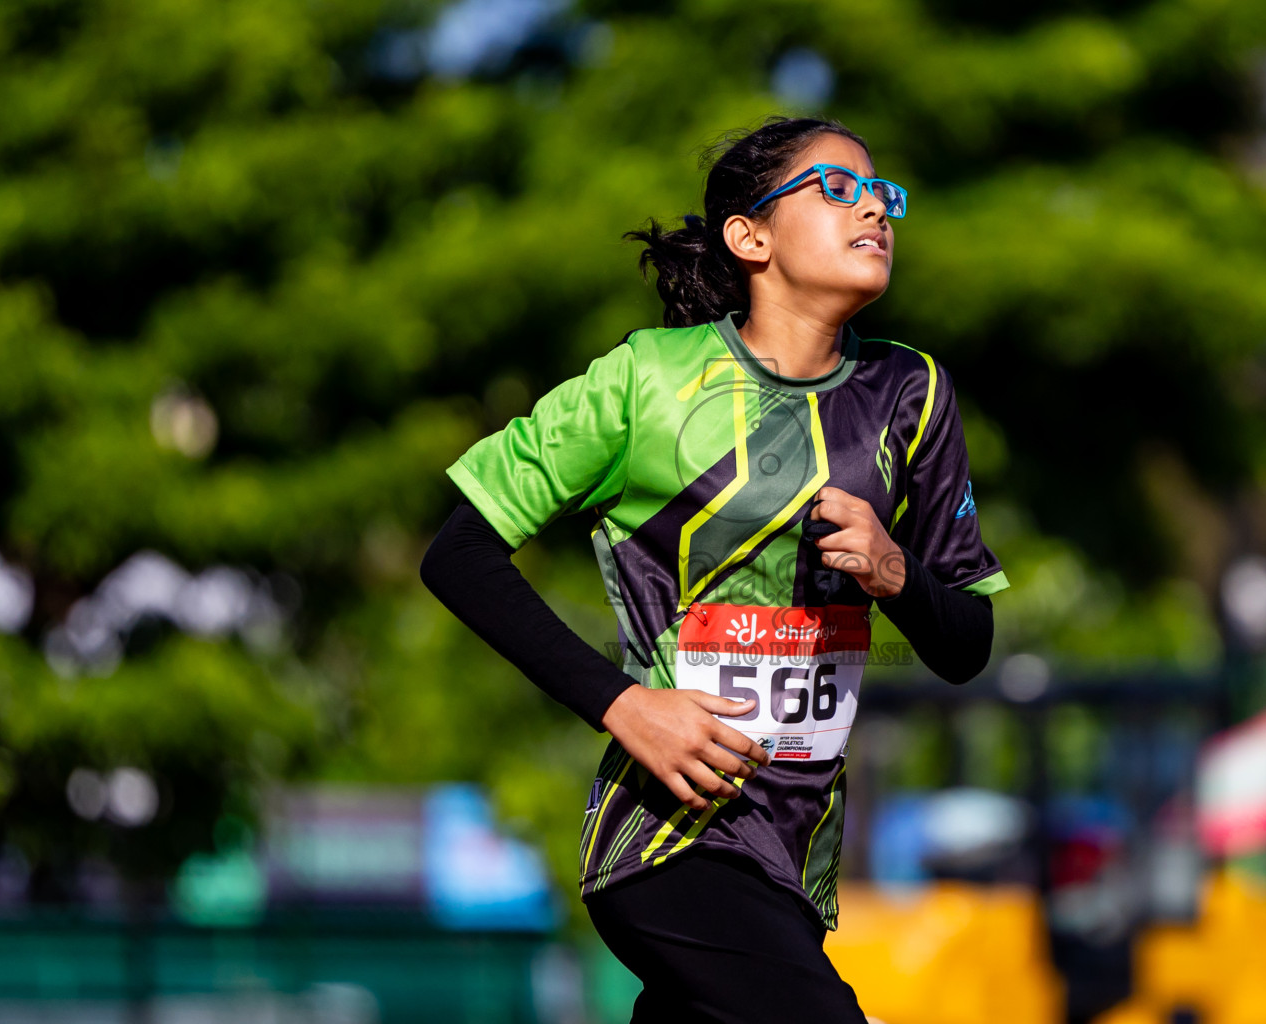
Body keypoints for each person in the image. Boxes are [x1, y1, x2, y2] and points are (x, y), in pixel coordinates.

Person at [420, 115, 1009, 1023]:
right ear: (750, 236)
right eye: (837, 188)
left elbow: (968, 642)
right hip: (665, 846)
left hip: (796, 864)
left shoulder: (912, 391)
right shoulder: (646, 381)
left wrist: (897, 572)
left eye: (882, 193)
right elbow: (457, 553)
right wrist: (626, 707)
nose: (876, 210)